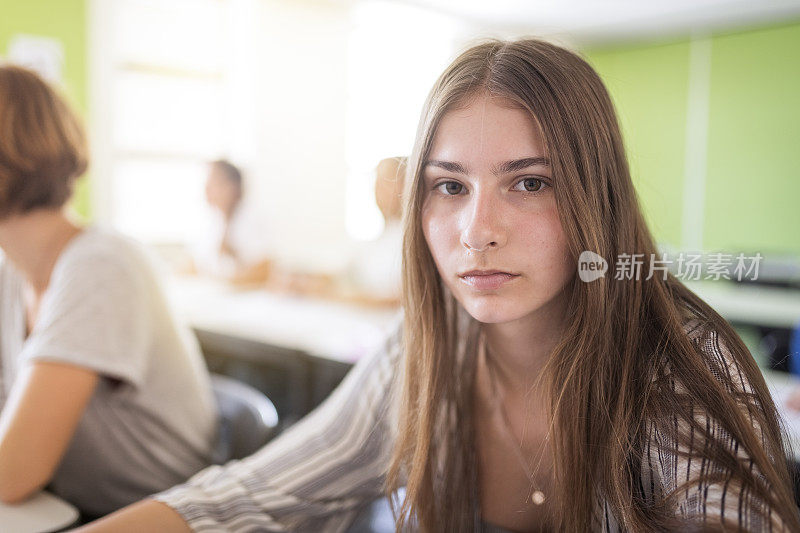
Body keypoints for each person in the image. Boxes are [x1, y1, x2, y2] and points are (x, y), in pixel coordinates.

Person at [76, 38, 799, 532]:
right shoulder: (426, 350)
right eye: (449, 185)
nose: (476, 229)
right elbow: (250, 497)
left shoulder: (679, 364)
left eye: (530, 182)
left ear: (596, 197)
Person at [0, 65, 217, 518]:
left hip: (147, 518)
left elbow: (13, 472)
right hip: (68, 509)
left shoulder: (101, 265)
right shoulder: (12, 272)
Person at [192, 159, 273, 285]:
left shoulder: (250, 218)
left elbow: (265, 269)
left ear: (232, 188)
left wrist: (227, 281)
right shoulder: (214, 222)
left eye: (213, 182)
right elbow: (200, 264)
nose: (206, 188)